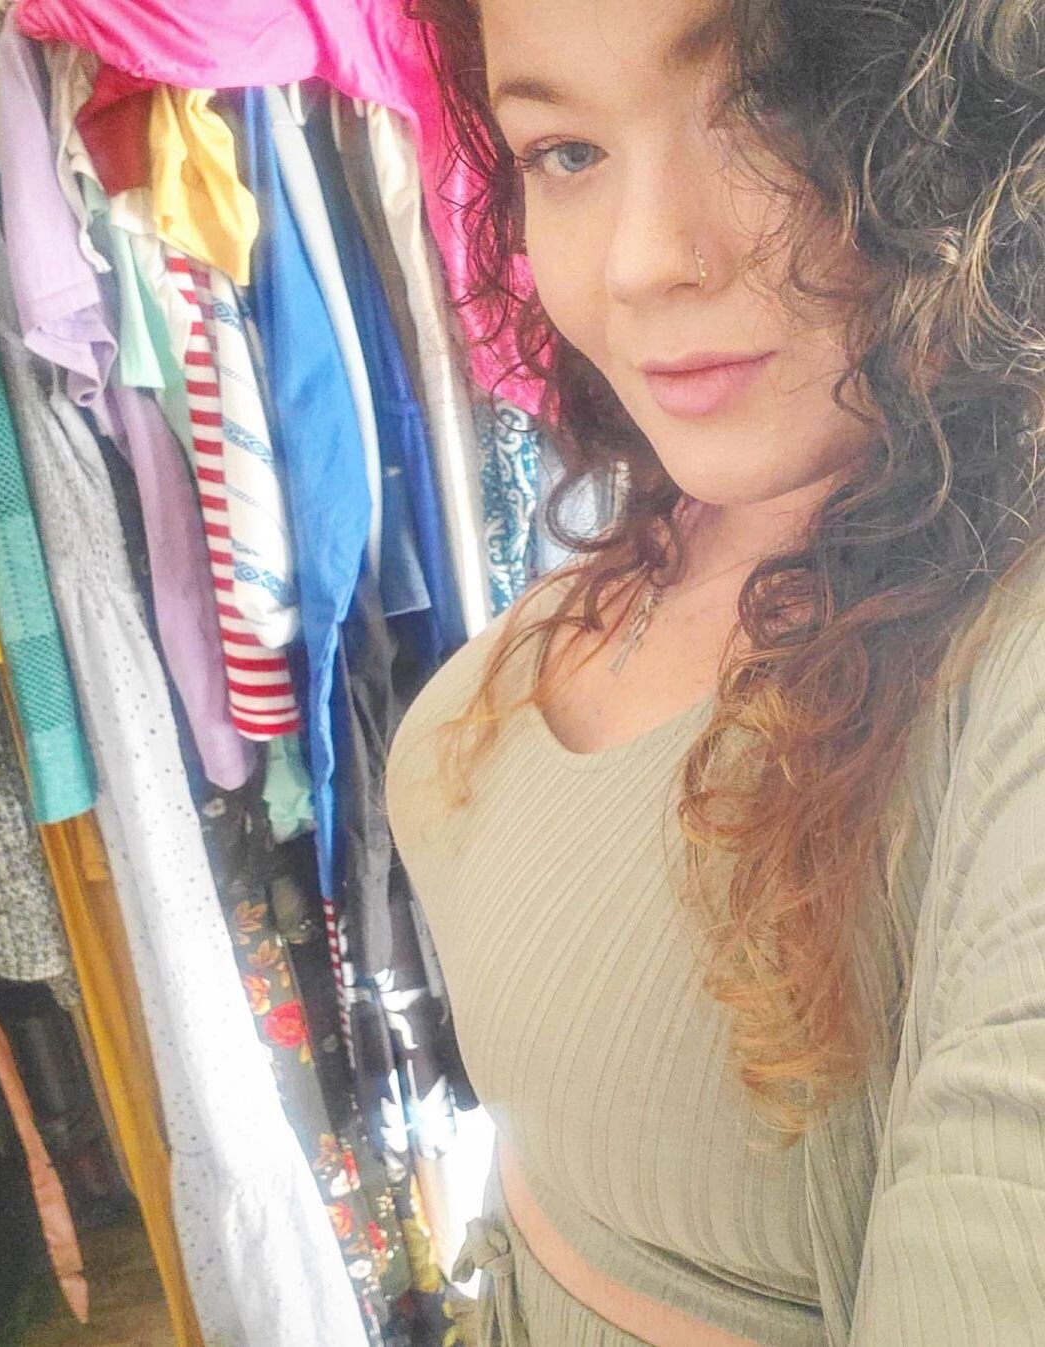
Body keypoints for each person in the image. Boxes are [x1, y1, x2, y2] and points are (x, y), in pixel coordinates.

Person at [385, 0, 1045, 1343]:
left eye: (770, 104)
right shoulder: (676, 515)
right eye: (566, 151)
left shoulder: (1007, 649)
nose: (641, 262)